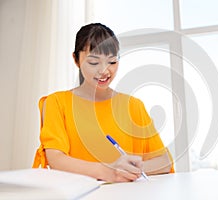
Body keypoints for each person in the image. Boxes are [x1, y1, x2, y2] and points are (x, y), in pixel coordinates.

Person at [33, 23, 174, 182]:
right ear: (76, 59)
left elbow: (164, 161)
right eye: (94, 62)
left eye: (112, 62)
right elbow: (56, 159)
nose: (104, 71)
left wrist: (129, 169)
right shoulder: (57, 103)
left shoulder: (134, 106)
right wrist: (108, 171)